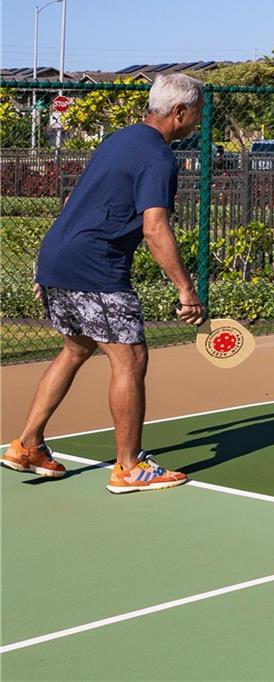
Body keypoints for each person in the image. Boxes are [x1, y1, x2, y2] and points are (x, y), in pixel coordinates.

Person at [3, 73, 208, 492]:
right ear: (179, 112)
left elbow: (71, 200)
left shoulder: (118, 139)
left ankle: (26, 445)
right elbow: (155, 228)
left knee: (76, 348)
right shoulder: (158, 158)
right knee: (130, 359)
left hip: (58, 256)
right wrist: (186, 289)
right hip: (95, 268)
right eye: (197, 115)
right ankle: (129, 467)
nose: (197, 124)